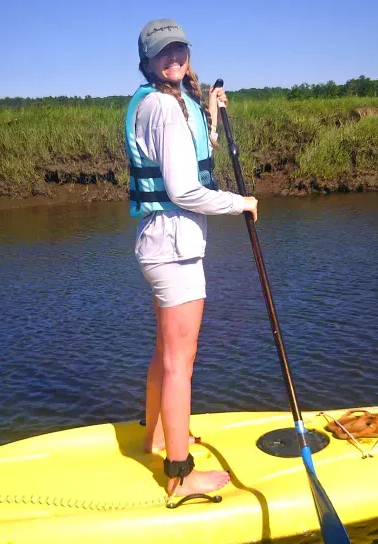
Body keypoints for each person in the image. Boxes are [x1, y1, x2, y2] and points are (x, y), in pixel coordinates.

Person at [125, 19, 258, 498]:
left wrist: (212, 114)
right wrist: (238, 203)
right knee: (181, 361)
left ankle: (158, 435)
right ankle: (179, 475)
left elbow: (200, 152)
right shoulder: (162, 108)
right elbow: (184, 189)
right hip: (175, 250)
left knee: (166, 353)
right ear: (147, 62)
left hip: (161, 244)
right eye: (164, 52)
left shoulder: (166, 103)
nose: (174, 57)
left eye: (179, 49)